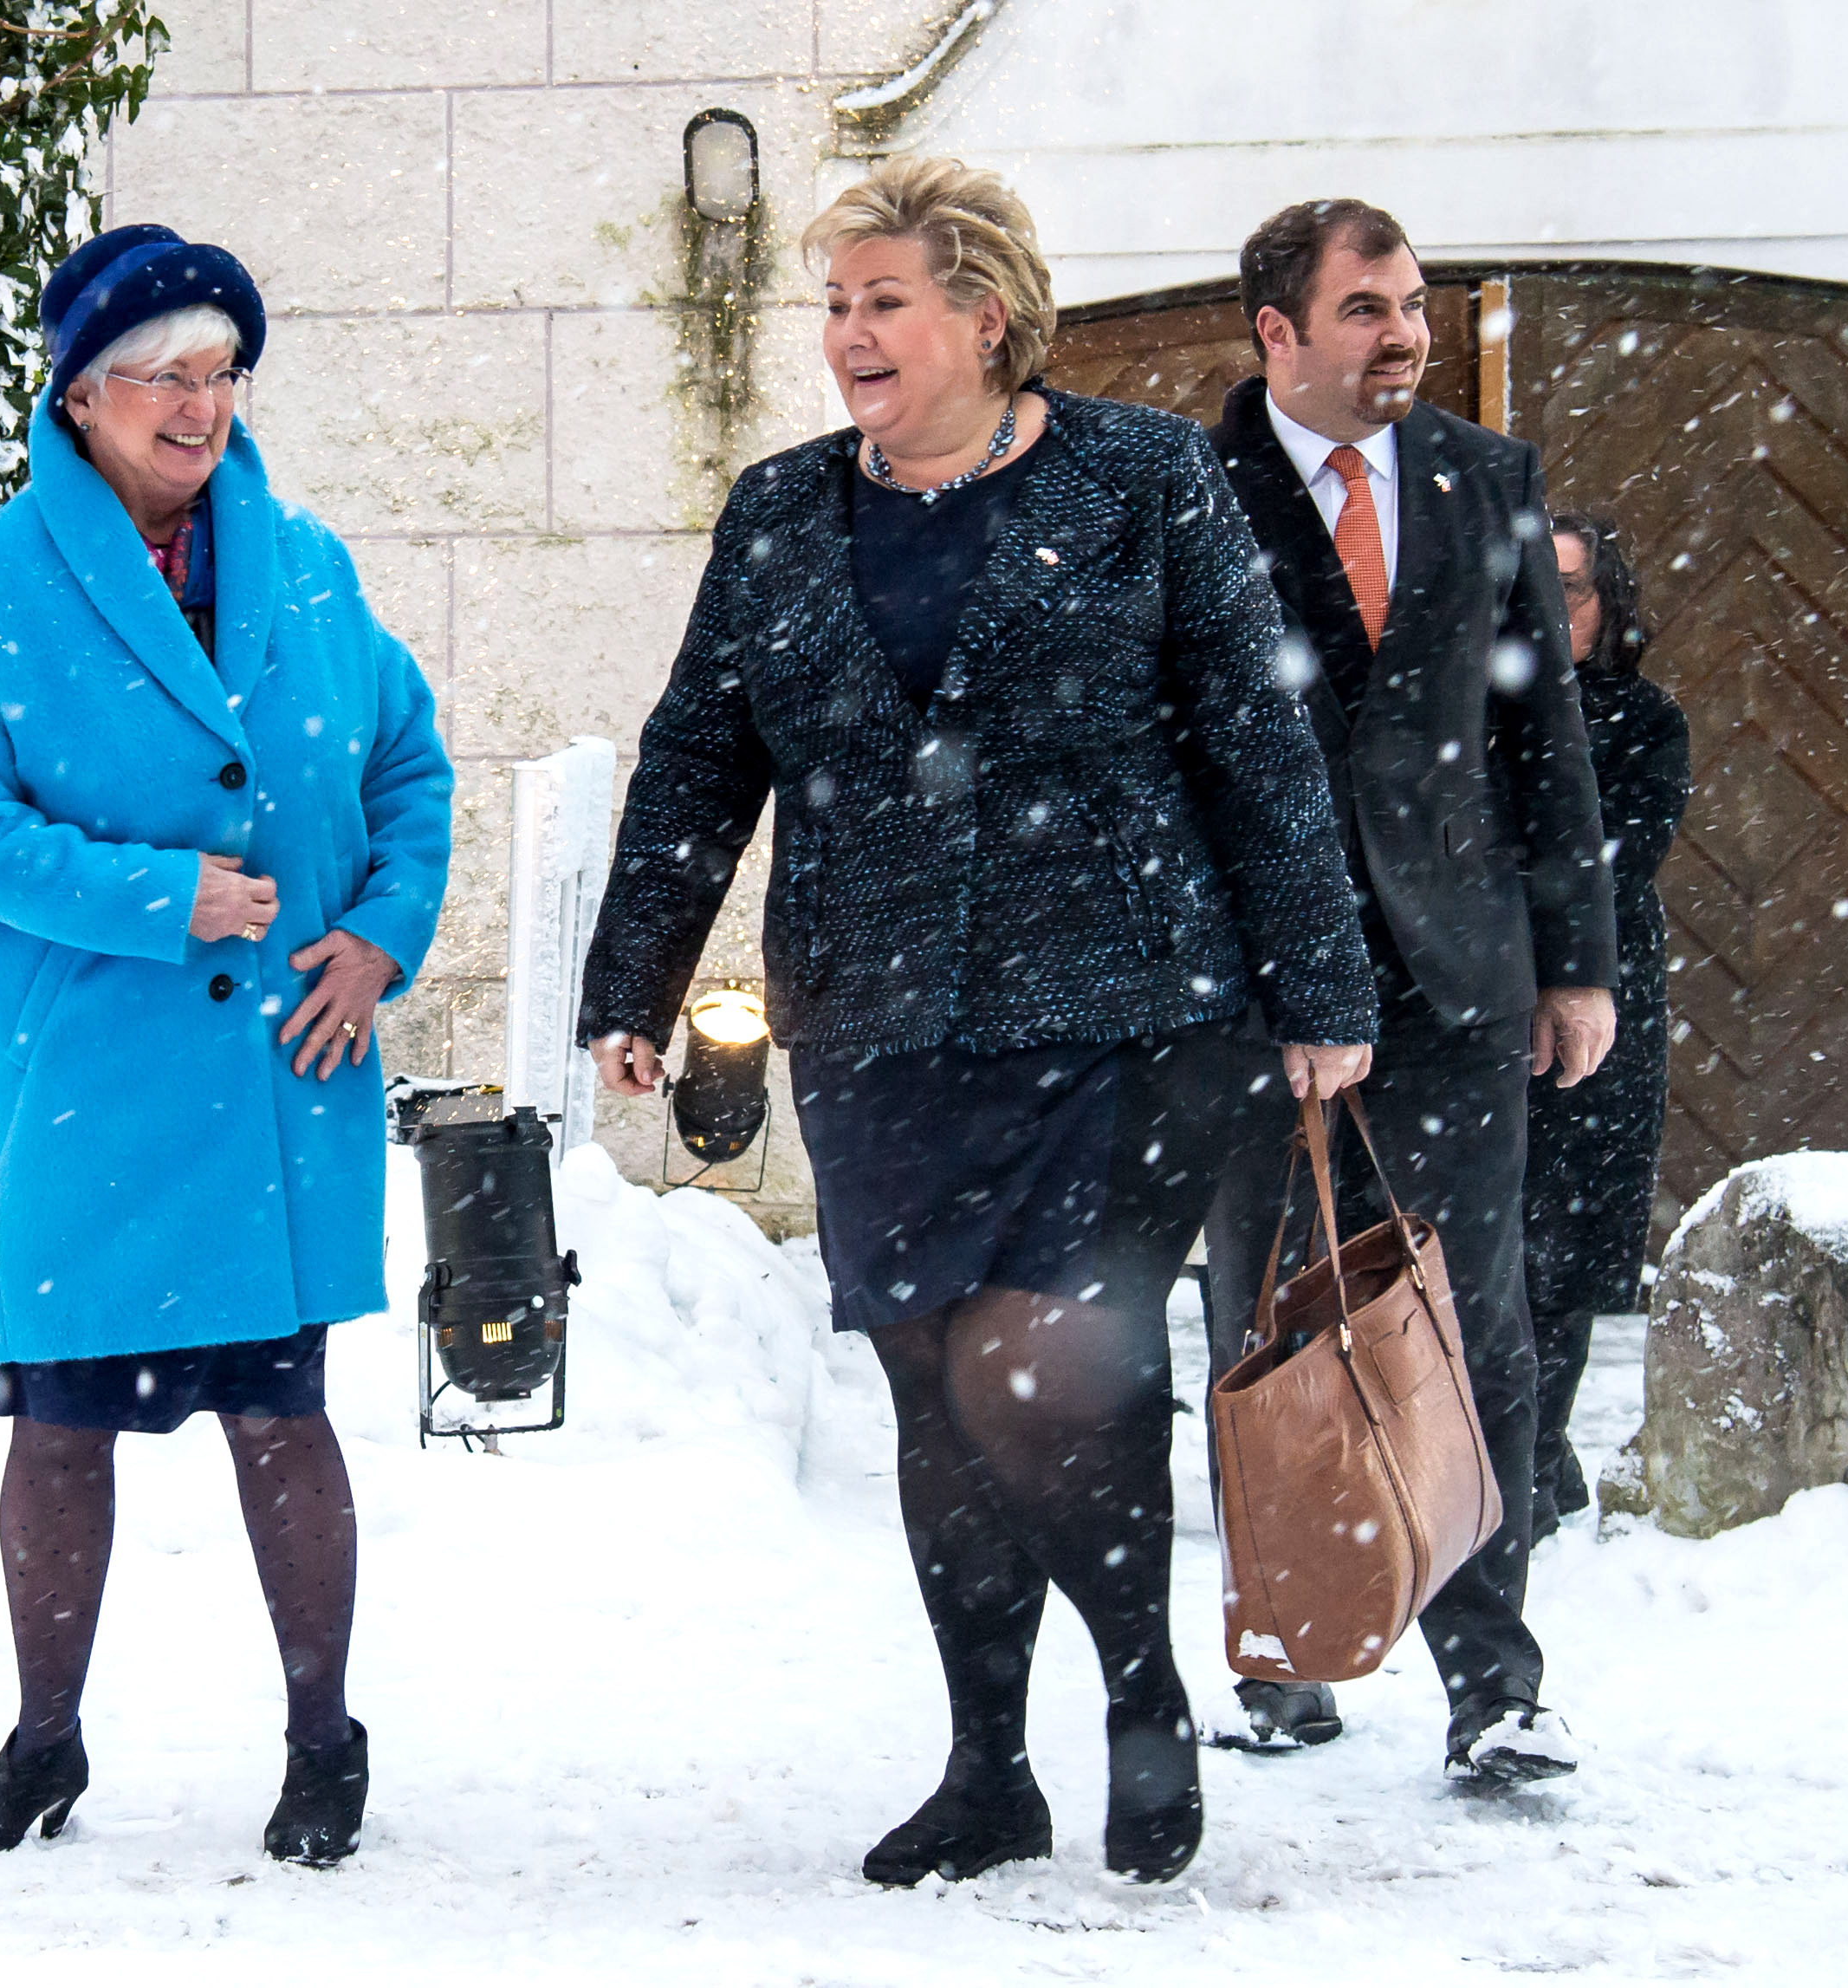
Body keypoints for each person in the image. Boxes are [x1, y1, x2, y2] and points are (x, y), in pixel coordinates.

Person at [578, 157, 1377, 1888]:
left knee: (1040, 1365)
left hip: (1122, 1008)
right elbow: (701, 756)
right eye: (838, 303)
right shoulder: (781, 510)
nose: (849, 333)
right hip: (875, 1024)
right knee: (933, 1388)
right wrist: (632, 986)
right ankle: (986, 1767)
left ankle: (1146, 1695)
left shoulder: (1141, 478)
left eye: (883, 300)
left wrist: (1321, 988)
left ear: (985, 316)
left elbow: (1255, 741)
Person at [0, 224, 454, 1868]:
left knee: (284, 1413)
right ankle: (44, 1738)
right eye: (166, 379)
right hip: (92, 1082)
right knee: (59, 1425)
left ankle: (322, 1739)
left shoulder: (309, 563)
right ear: (83, 397)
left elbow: (409, 764)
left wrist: (381, 934)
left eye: (221, 376)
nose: (202, 408)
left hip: (284, 1065)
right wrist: (163, 894)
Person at [1198, 198, 1616, 1783]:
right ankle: (1289, 1642)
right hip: (1248, 990)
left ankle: (1492, 1678)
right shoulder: (1186, 489)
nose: (1407, 332)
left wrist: (1574, 958)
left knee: (1474, 1324)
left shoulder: (1482, 478)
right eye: (1367, 306)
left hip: (1454, 974)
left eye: (1416, 302)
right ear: (1279, 333)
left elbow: (1542, 743)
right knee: (1264, 1320)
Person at [1521, 515, 1689, 1541]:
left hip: (1595, 992)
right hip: (1477, 996)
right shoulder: (1460, 705)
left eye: (1572, 589)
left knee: (1566, 1239)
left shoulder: (1641, 715)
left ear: (1608, 606)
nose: (1551, 609)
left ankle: (1540, 1448)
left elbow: (1614, 855)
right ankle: (1502, 1452)